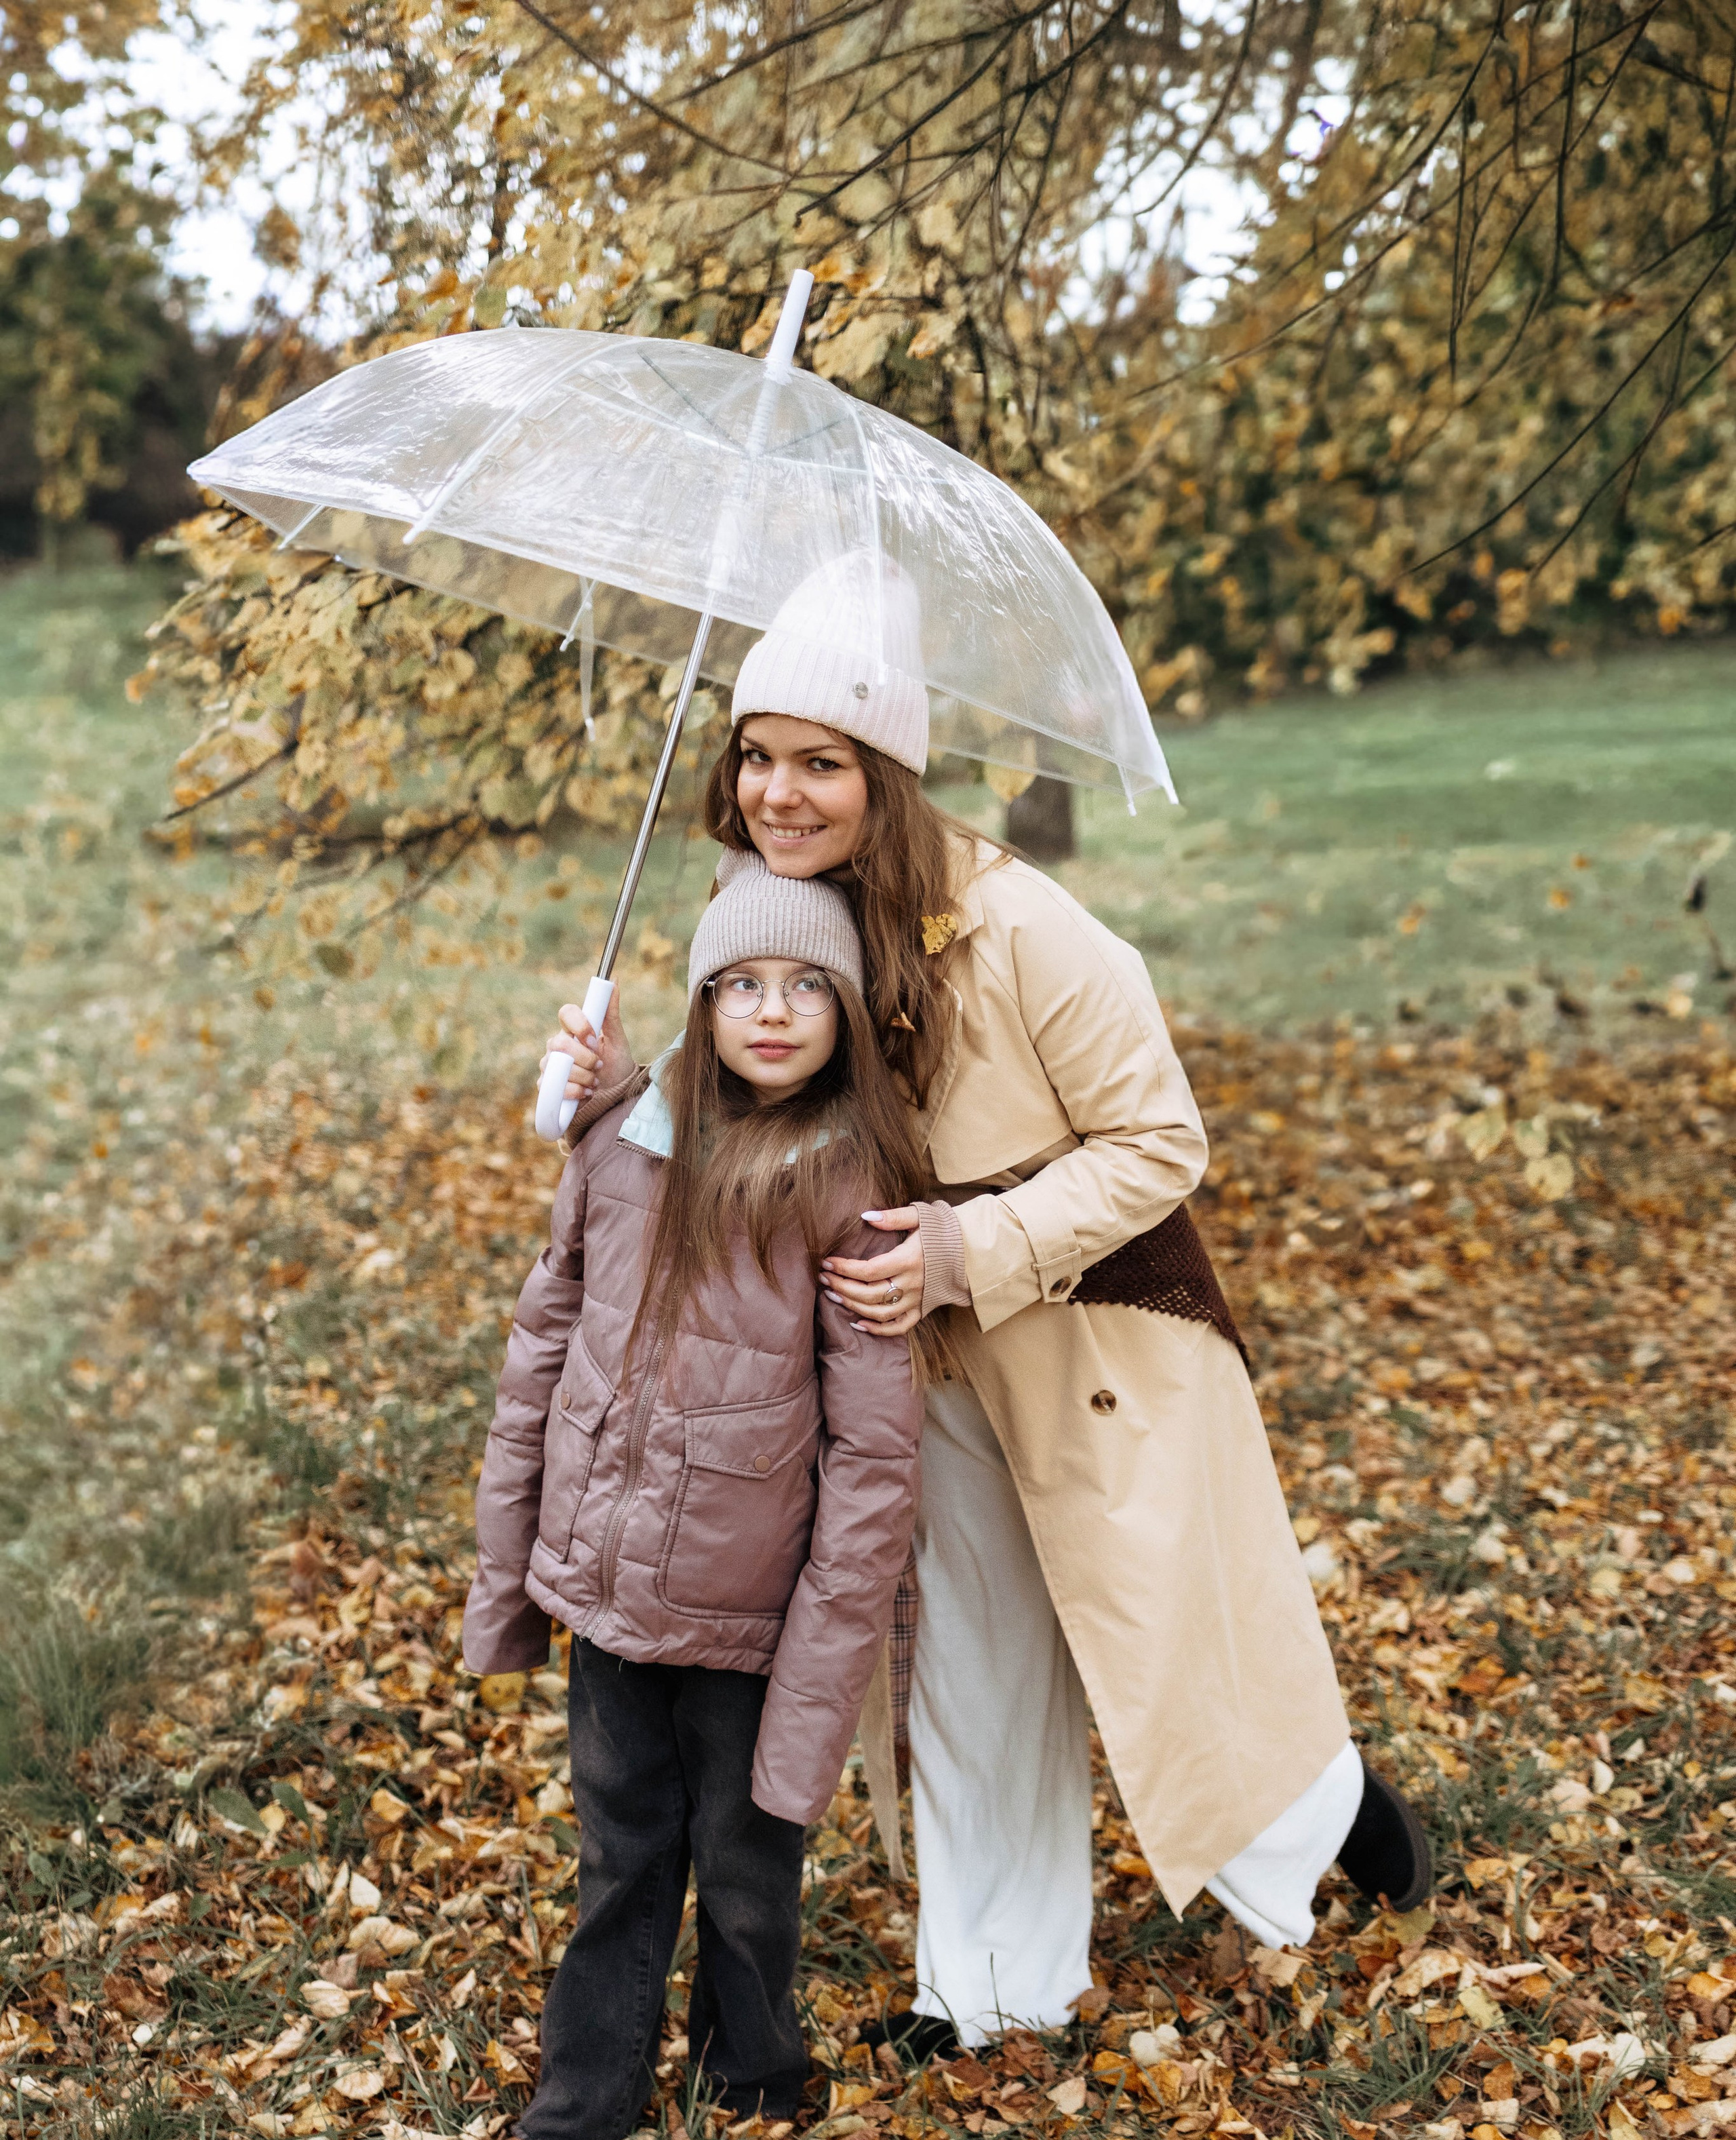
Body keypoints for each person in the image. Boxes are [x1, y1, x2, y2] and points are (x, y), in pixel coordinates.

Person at [549, 561, 1432, 2061]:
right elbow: (752, 1097)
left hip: (1088, 1338)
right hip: (916, 1364)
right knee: (966, 1666)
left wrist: (971, 1247)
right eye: (758, 756)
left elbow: (1160, 1146)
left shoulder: (1025, 927)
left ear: (884, 773)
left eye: (820, 763)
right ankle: (992, 1992)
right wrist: (620, 1094)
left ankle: (1330, 1810)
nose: (780, 791)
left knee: (1156, 1645)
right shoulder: (758, 907)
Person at [462, 863, 926, 2140]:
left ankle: (756, 2078)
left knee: (746, 1859)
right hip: (611, 1585)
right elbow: (547, 1335)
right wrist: (516, 1558)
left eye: (802, 989)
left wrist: (829, 1631)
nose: (771, 1013)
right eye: (739, 987)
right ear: (700, 1002)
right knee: (619, 1854)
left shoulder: (848, 1188)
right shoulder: (619, 1146)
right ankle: (578, 2105)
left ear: (841, 1012)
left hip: (750, 1610)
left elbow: (872, 1453)